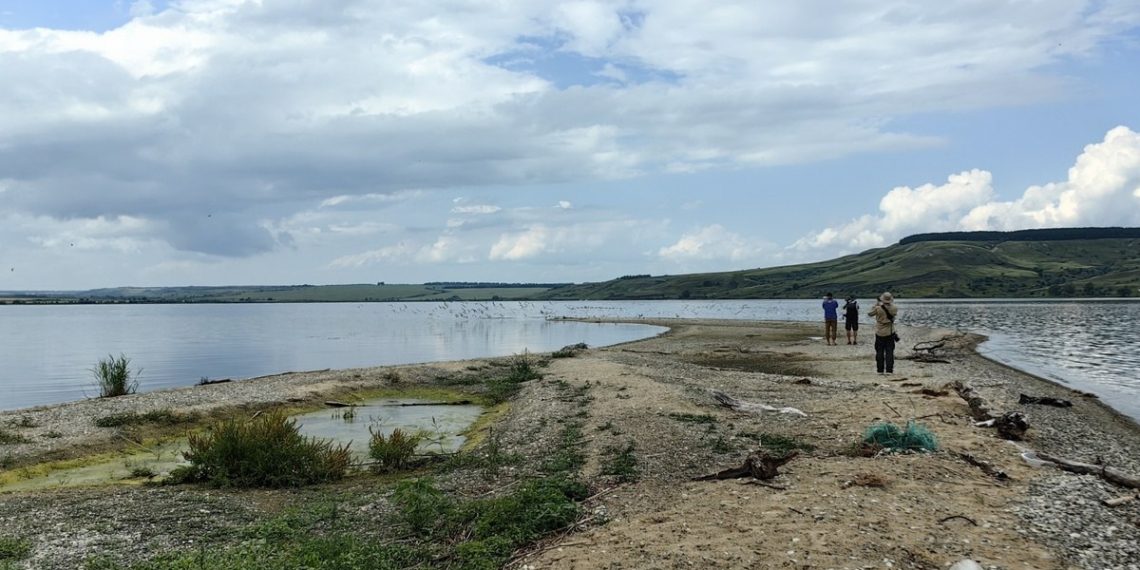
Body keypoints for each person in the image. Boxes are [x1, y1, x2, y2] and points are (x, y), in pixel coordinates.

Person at [868, 292, 898, 374]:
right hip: (890, 332)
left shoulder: (878, 308)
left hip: (880, 332)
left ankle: (880, 370)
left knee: (879, 352)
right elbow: (893, 315)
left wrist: (876, 305)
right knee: (890, 352)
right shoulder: (894, 308)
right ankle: (889, 370)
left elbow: (870, 314)